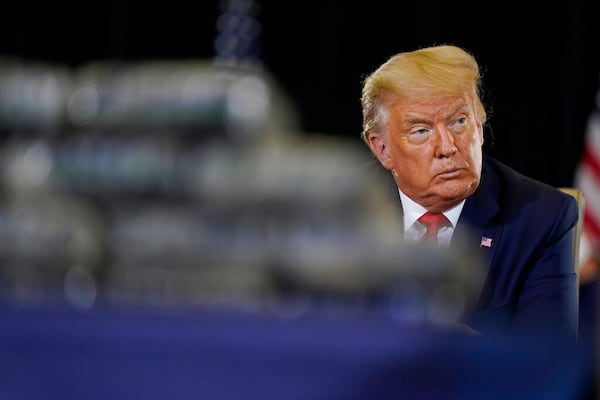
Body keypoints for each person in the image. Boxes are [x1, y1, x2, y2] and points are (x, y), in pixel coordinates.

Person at [360, 44, 579, 339]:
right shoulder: (345, 209)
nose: (448, 147)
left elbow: (549, 360)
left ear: (479, 122)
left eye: (459, 121)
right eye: (421, 131)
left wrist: (467, 352)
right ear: (382, 149)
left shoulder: (541, 218)